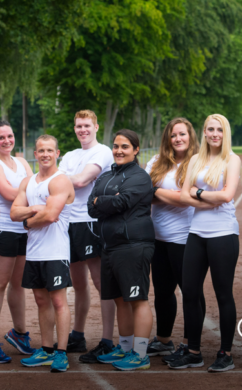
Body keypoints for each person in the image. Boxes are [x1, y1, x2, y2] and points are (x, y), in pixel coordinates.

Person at [176, 114, 241, 372]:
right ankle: (193, 351)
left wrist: (199, 192)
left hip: (223, 234)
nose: (215, 134)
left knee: (223, 294)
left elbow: (227, 196)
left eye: (219, 130)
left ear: (226, 133)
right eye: (210, 129)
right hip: (197, 232)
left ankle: (225, 353)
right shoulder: (195, 159)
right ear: (204, 132)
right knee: (190, 292)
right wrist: (208, 198)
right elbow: (183, 195)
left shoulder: (231, 160)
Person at [88, 129, 155, 371]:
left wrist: (103, 201)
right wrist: (105, 201)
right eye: (116, 146)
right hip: (109, 246)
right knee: (120, 300)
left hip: (133, 245)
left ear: (136, 150)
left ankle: (140, 354)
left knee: (137, 300)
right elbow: (90, 208)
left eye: (125, 147)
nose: (119, 151)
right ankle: (125, 349)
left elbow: (121, 202)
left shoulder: (140, 176)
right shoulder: (105, 177)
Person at [10, 135, 75, 373]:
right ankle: (46, 350)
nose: (45, 154)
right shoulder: (28, 182)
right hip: (34, 252)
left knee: (58, 301)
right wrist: (33, 209)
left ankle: (61, 353)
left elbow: (50, 216)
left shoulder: (60, 181)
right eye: (41, 150)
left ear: (57, 153)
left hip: (55, 251)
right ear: (35, 154)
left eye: (49, 150)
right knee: (41, 301)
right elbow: (13, 213)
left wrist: (27, 223)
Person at [144, 118, 205, 363]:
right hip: (158, 237)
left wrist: (156, 192)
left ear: (190, 136)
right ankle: (164, 340)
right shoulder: (156, 162)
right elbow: (143, 193)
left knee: (191, 292)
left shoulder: (198, 163)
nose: (177, 138)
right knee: (162, 291)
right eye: (173, 135)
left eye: (182, 134)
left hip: (187, 237)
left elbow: (186, 199)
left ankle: (191, 345)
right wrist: (173, 195)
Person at [58, 110, 116, 362]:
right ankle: (78, 335)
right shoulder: (70, 155)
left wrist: (59, 179)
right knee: (78, 284)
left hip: (90, 222)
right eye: (79, 125)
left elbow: (80, 181)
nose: (82, 129)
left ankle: (107, 340)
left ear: (96, 126)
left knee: (100, 282)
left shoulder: (102, 151)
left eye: (87, 125)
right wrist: (58, 180)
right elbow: (59, 182)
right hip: (67, 222)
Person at [0, 121, 35, 362]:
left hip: (24, 229)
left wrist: (33, 193)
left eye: (10, 136)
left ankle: (19, 332)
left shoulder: (22, 162)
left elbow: (35, 186)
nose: (6, 141)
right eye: (1, 137)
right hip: (2, 229)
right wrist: (35, 195)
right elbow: (11, 195)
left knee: (19, 284)